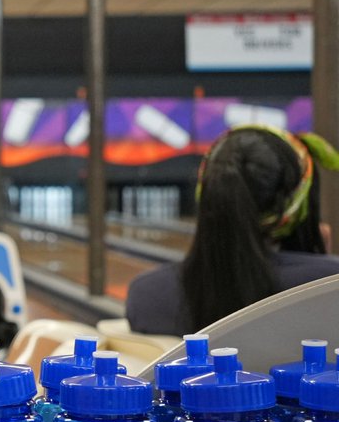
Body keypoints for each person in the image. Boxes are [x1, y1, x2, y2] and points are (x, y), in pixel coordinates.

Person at [127, 125, 339, 335]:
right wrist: (318, 259)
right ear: (294, 212)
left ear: (207, 195)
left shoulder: (146, 296)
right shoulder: (330, 283)